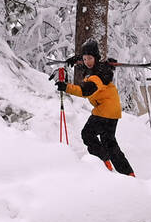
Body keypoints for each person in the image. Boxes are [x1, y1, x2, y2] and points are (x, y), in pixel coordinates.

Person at [57, 39, 135, 176]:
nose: (87, 61)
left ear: (96, 58)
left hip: (104, 111)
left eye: (90, 58)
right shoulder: (98, 68)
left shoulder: (97, 75)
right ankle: (128, 173)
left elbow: (85, 91)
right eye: (85, 58)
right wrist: (77, 59)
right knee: (109, 143)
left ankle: (104, 161)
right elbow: (88, 67)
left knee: (87, 134)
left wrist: (66, 87)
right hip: (113, 110)